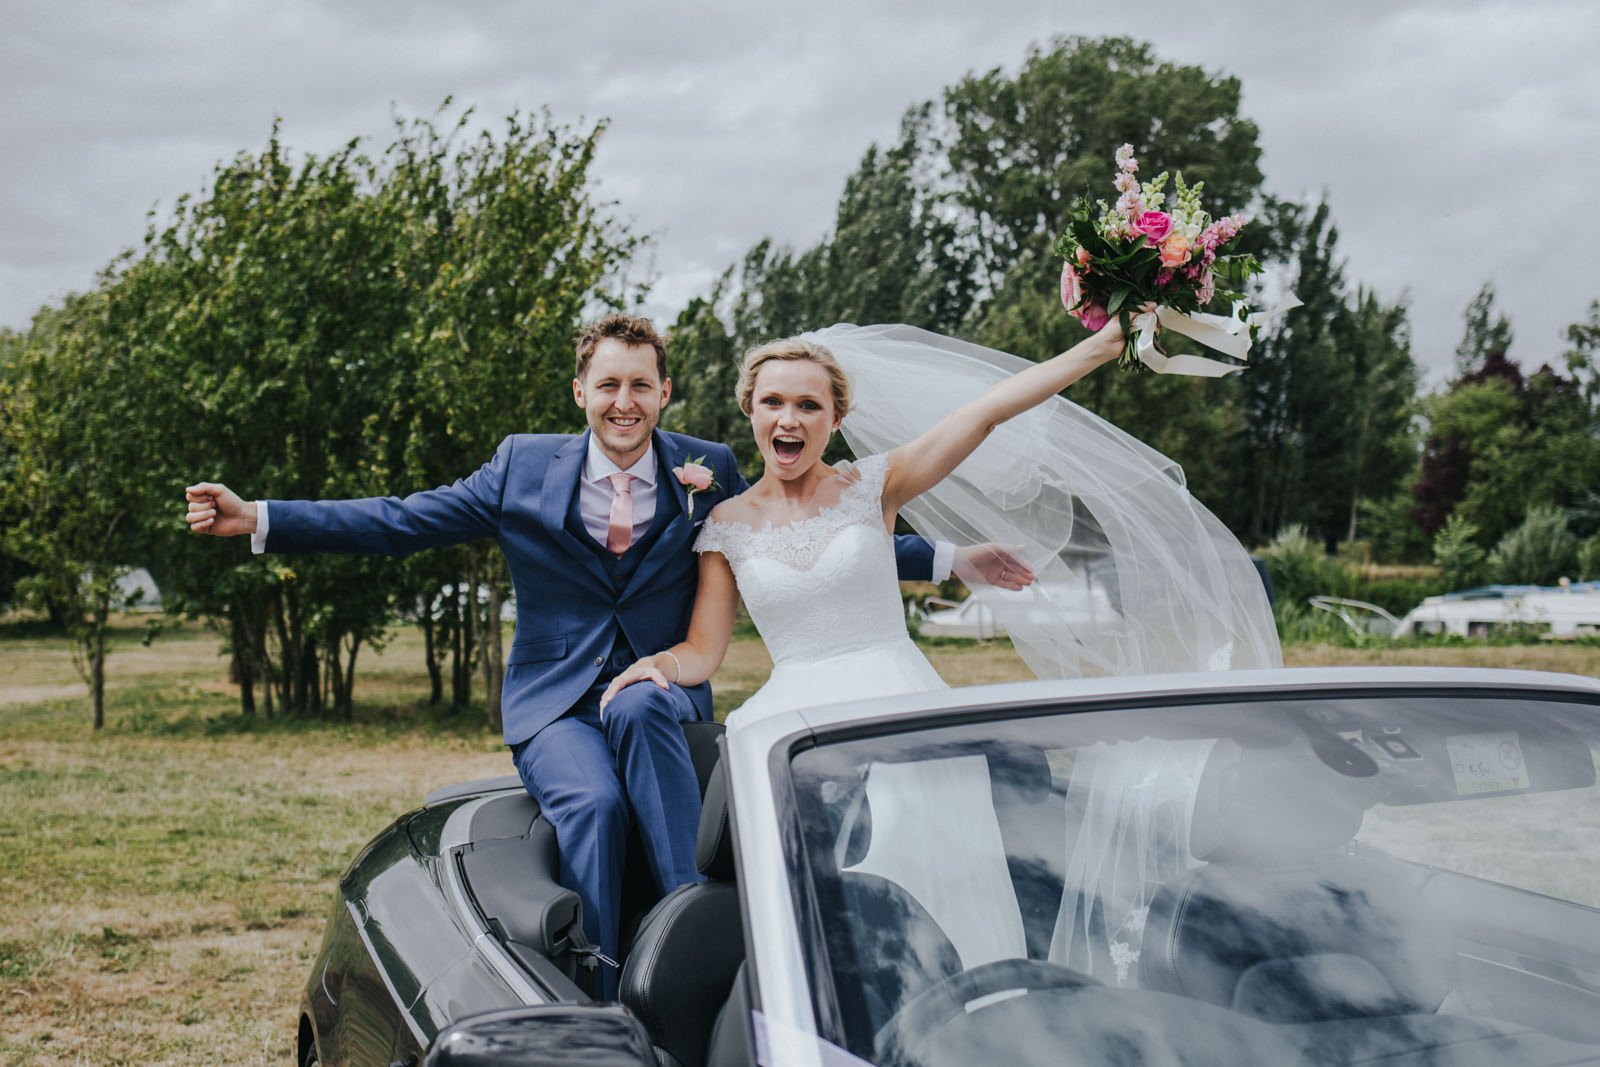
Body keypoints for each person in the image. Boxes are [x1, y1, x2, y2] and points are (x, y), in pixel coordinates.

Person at [182, 314, 1023, 994]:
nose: (625, 401)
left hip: (660, 695)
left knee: (648, 702)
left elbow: (798, 531)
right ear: (582, 390)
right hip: (558, 704)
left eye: (641, 385)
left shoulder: (709, 465)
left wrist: (945, 559)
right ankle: (602, 976)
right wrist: (260, 517)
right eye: (609, 384)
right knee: (591, 806)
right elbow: (403, 519)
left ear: (664, 393)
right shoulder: (520, 468)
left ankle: (696, 928)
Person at [600, 317, 1282, 974]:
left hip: (899, 708)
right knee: (822, 910)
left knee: (933, 882)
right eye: (773, 401)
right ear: (750, 410)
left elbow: (985, 412)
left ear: (835, 418)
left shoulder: (873, 485)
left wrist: (1101, 348)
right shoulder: (724, 525)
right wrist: (659, 665)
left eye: (809, 404)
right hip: (793, 728)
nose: (789, 418)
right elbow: (704, 648)